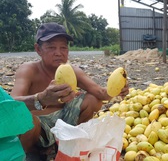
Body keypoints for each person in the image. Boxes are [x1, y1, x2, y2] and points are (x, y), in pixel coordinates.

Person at [10, 22, 129, 157]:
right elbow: (12, 104)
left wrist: (116, 90)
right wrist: (40, 98)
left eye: (63, 48)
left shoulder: (73, 71)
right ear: (38, 49)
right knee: (26, 119)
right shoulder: (29, 70)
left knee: (93, 99)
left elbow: (100, 93)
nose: (58, 53)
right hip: (39, 127)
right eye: (51, 47)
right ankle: (32, 153)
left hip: (66, 121)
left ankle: (68, 144)